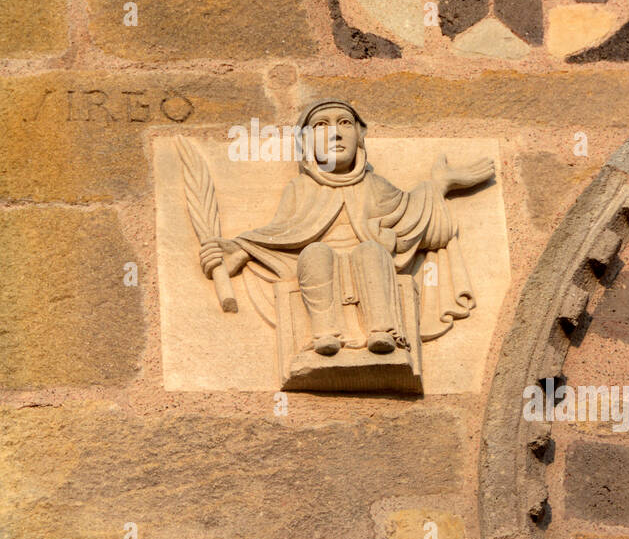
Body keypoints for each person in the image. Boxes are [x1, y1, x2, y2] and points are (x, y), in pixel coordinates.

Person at [199, 99, 494, 355]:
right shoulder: (300, 188)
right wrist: (239, 248)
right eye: (321, 126)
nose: (336, 133)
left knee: (370, 251)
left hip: (371, 265)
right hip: (319, 268)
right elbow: (281, 235)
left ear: (359, 137)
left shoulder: (375, 186)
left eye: (344, 123)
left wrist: (440, 185)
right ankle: (324, 334)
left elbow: (414, 221)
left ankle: (383, 331)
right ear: (306, 142)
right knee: (314, 252)